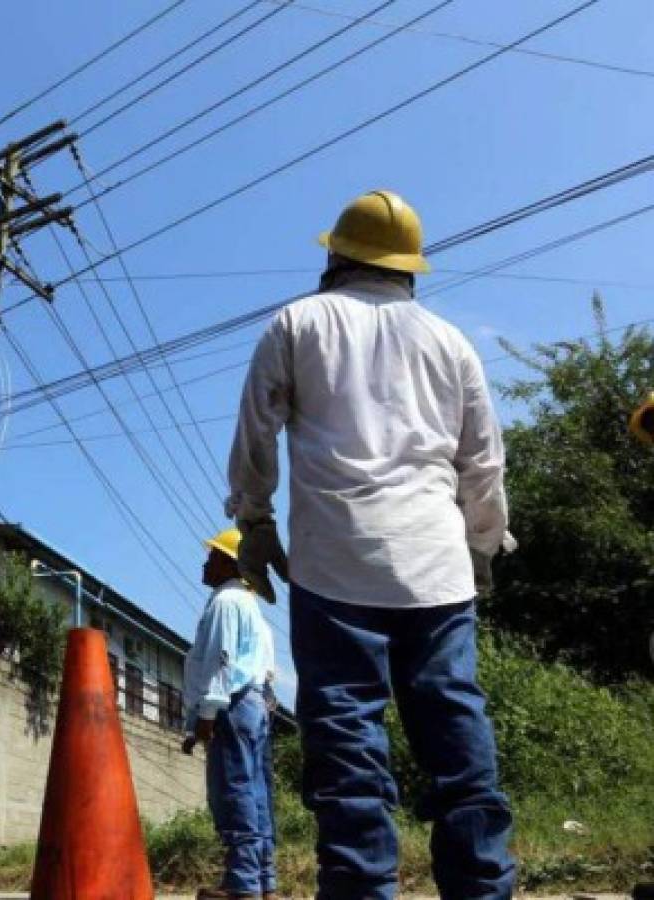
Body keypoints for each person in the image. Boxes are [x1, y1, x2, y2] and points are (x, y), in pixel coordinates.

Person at [226, 189, 516, 898]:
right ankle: (481, 888)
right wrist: (480, 545)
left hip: (334, 567)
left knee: (348, 748)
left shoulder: (298, 322)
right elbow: (482, 461)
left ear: (334, 255)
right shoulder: (450, 342)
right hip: (436, 569)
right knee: (455, 738)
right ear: (408, 267)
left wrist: (254, 522)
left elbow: (255, 431)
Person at [183, 528, 279, 900]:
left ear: (229, 563)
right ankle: (261, 878)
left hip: (232, 704)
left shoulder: (226, 601)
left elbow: (222, 660)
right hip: (254, 704)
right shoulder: (252, 609)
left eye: (212, 557)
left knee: (232, 788)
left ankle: (242, 882)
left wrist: (205, 714)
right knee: (256, 791)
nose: (206, 563)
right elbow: (265, 671)